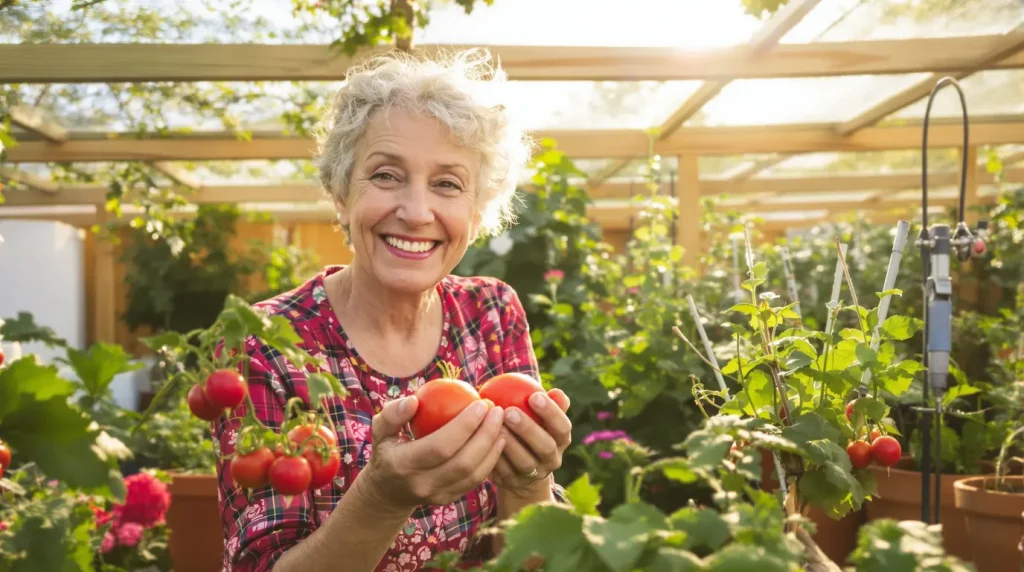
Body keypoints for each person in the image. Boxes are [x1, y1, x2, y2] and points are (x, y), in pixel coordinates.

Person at [212, 48, 573, 572]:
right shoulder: (264, 345)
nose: (417, 211)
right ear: (341, 193)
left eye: (447, 184)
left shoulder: (491, 312)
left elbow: (522, 556)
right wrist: (381, 498)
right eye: (385, 175)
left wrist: (529, 480)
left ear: (476, 214)